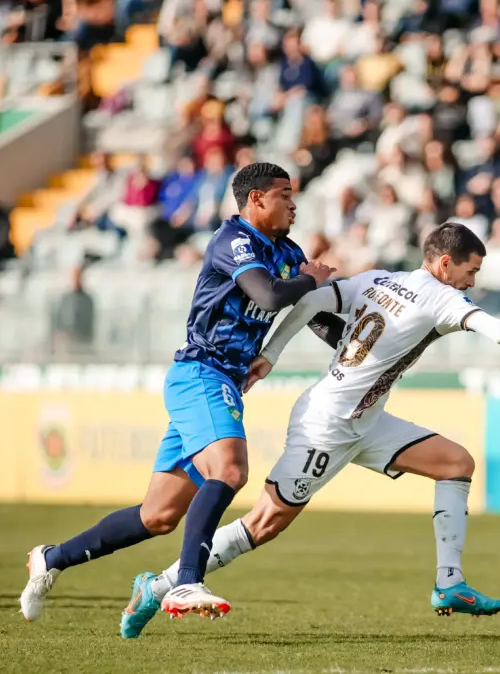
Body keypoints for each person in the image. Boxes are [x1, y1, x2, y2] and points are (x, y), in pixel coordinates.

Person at [118, 223, 500, 637]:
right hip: (326, 426)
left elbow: (312, 300)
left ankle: (449, 584)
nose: (473, 282)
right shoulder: (443, 299)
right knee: (264, 524)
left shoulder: (379, 279)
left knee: (456, 464)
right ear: (445, 264)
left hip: (366, 422)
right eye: (471, 271)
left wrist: (274, 353)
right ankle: (157, 586)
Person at [19, 163, 338, 625]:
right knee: (229, 468)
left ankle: (51, 558)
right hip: (201, 374)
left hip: (222, 383)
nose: (293, 202)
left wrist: (366, 342)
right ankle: (187, 580)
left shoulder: (288, 252)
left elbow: (310, 311)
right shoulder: (234, 241)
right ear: (256, 200)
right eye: (284, 193)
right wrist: (311, 278)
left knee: (158, 515)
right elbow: (269, 297)